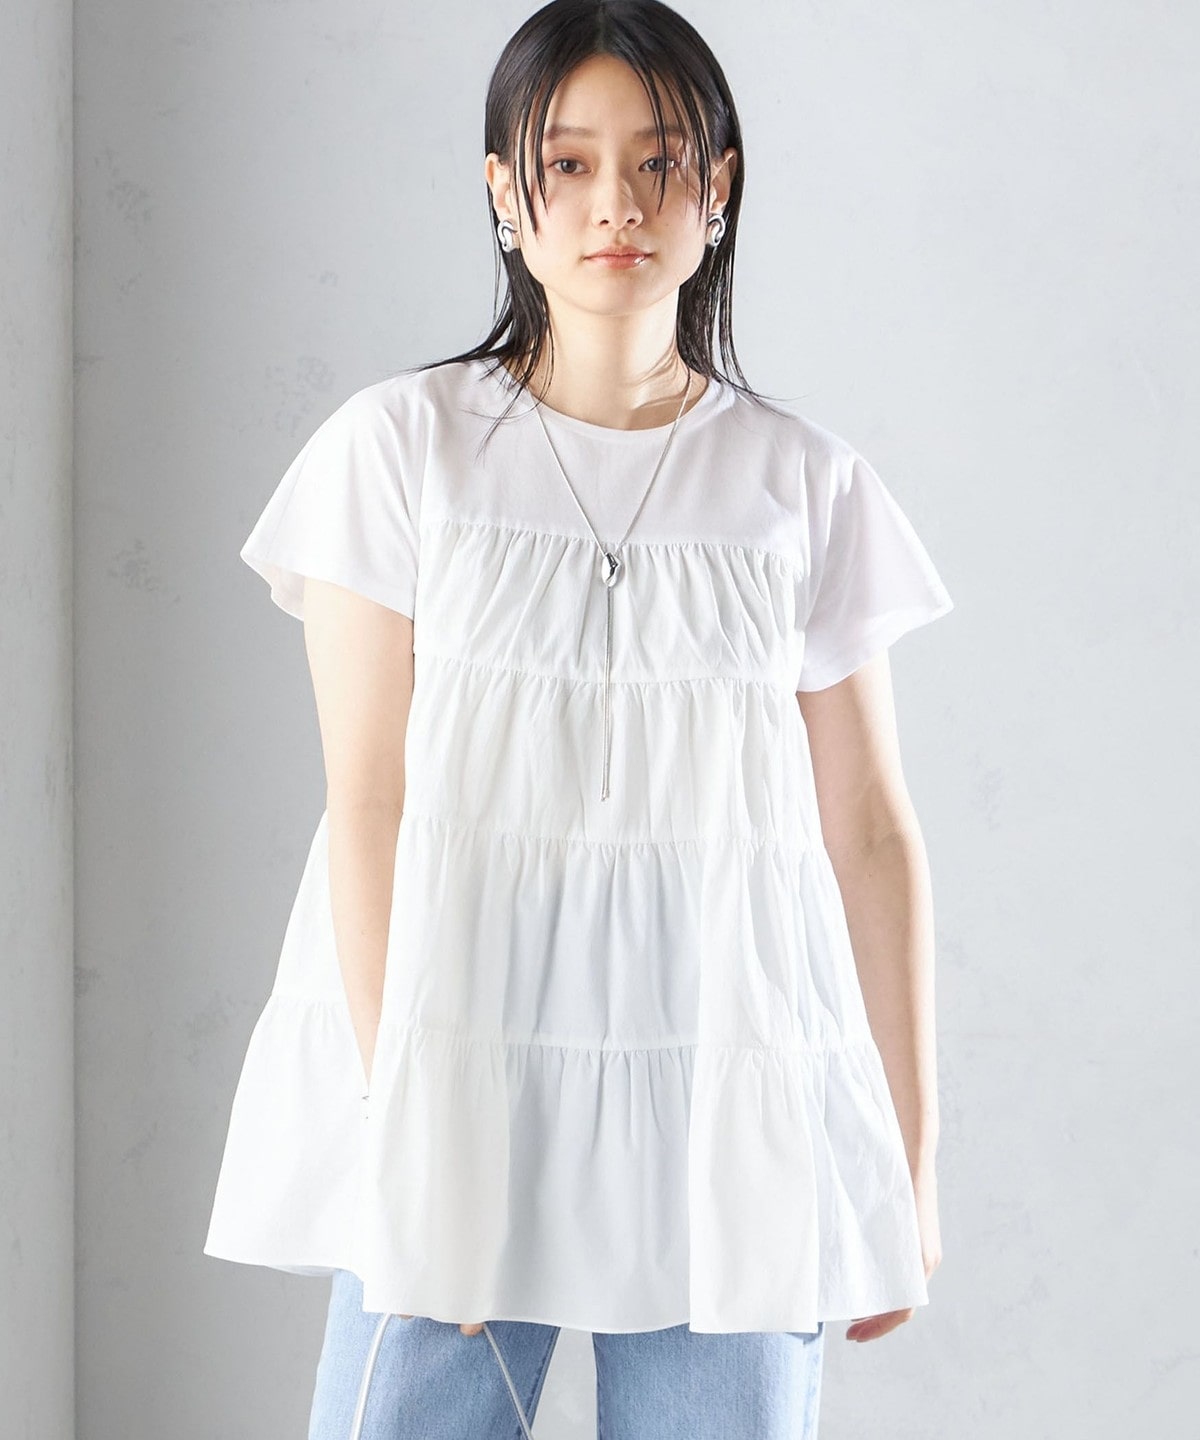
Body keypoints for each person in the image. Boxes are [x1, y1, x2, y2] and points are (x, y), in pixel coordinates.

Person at [203, 2, 953, 1435]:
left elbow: (870, 833)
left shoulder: (804, 484)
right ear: (506, 190)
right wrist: (403, 1125)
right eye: (569, 163)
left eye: (659, 160)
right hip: (463, 1075)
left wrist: (910, 1163)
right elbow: (371, 805)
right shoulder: (399, 451)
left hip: (732, 1101)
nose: (617, 201)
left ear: (717, 187)